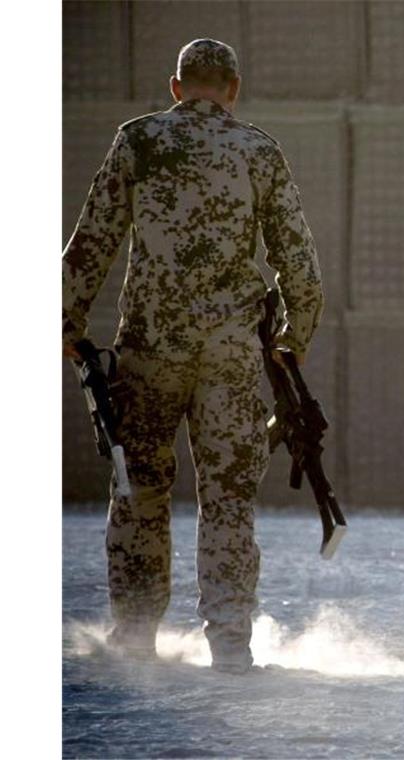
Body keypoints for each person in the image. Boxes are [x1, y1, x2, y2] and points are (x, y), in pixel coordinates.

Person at [62, 39, 324, 673]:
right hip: (230, 356)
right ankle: (231, 643)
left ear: (176, 87)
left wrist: (68, 326)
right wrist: (292, 343)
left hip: (149, 349)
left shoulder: (138, 140)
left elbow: (92, 243)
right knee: (229, 498)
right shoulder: (258, 149)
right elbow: (300, 266)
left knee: (140, 492)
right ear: (233, 91)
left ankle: (133, 639)